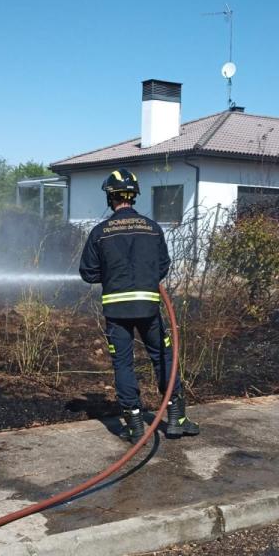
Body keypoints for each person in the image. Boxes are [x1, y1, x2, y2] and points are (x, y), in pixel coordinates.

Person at [79, 169, 200, 443]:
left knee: (123, 363)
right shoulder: (153, 228)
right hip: (149, 308)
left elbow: (88, 272)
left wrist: (111, 275)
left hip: (116, 312)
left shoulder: (100, 232)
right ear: (134, 196)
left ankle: (134, 424)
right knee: (163, 357)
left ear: (110, 198)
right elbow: (163, 266)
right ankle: (176, 419)